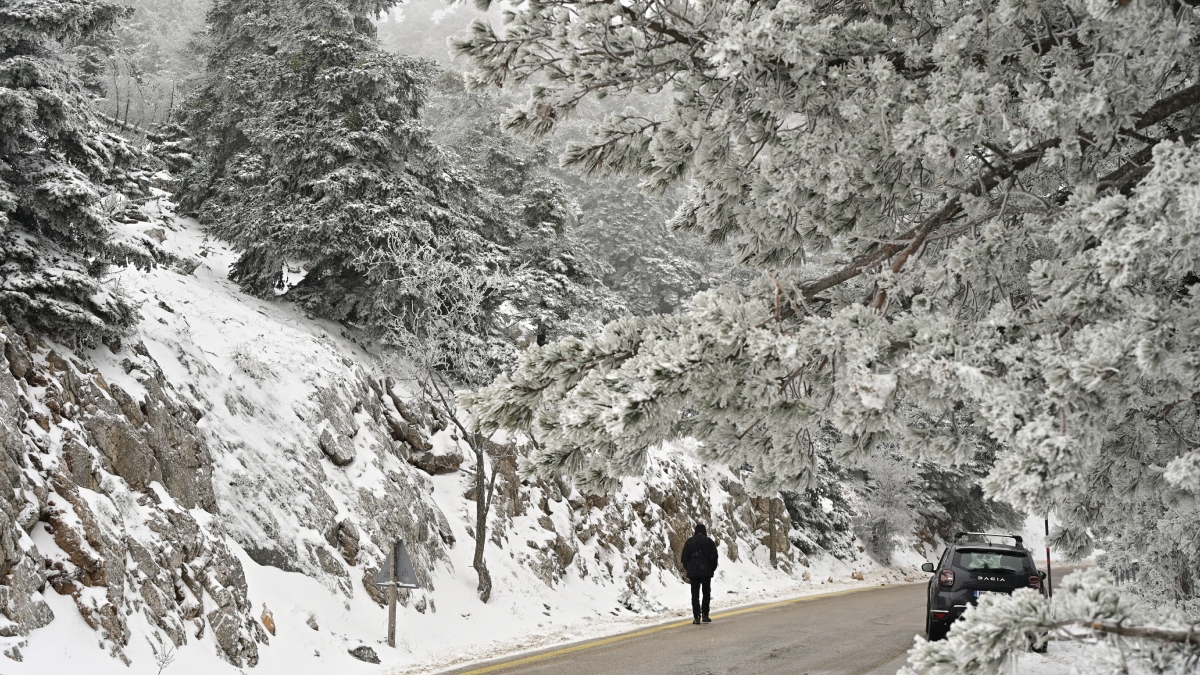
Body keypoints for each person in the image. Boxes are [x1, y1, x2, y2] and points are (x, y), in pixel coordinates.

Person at [681, 523, 719, 624]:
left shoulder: (690, 542)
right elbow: (714, 558)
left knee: (695, 594)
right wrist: (711, 569)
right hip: (706, 572)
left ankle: (696, 616)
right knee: (706, 593)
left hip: (693, 573)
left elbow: (684, 558)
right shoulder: (709, 542)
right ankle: (705, 615)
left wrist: (689, 568)